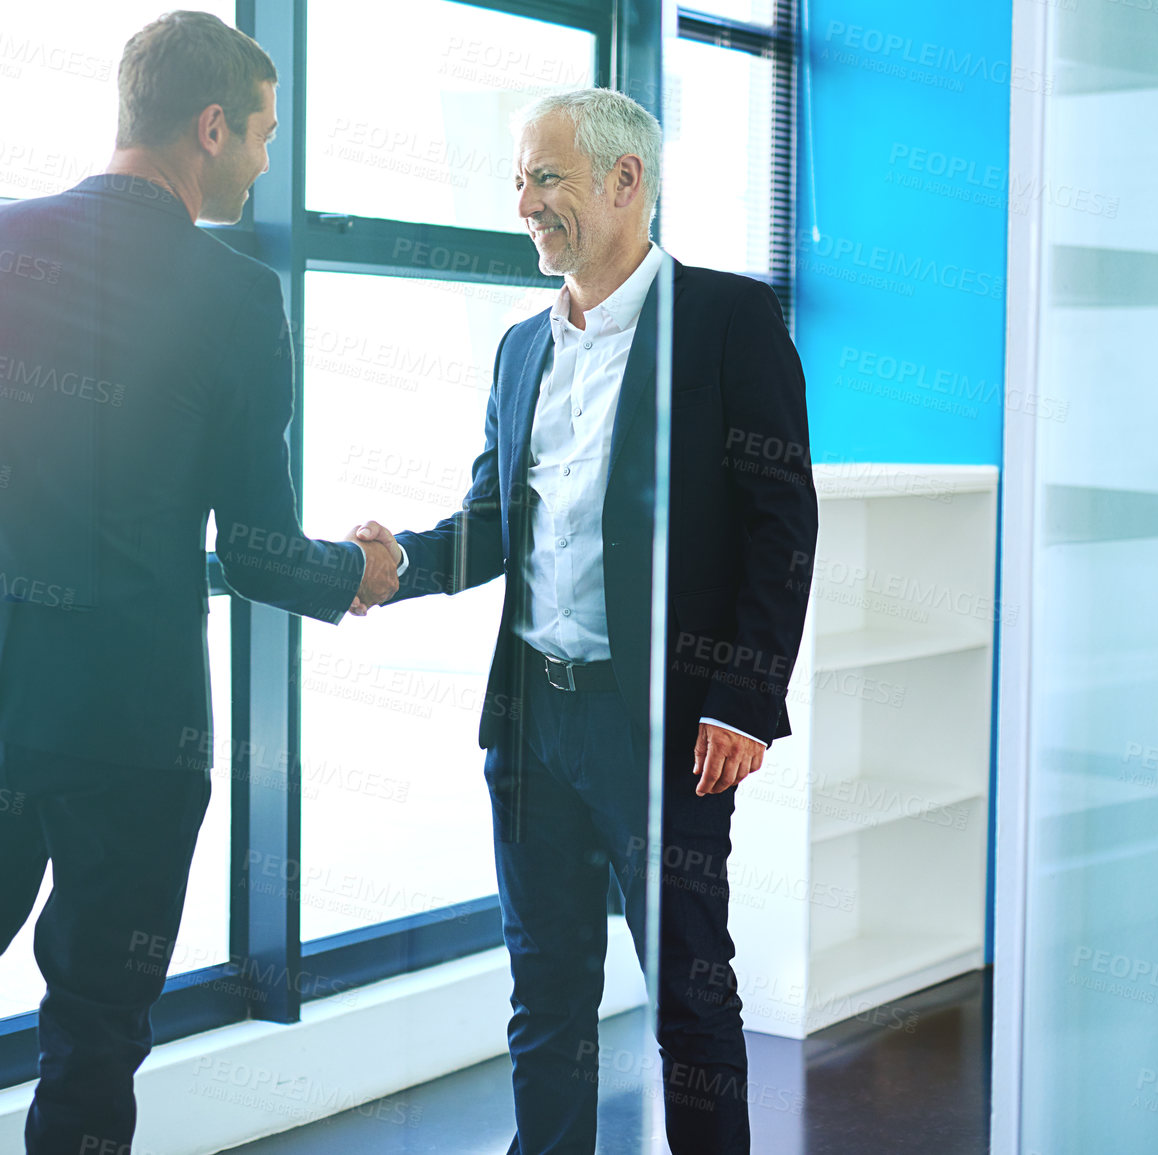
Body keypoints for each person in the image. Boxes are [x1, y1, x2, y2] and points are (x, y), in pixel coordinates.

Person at [0, 12, 400, 1153]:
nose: (266, 161)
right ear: (210, 127)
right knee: (98, 1027)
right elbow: (260, 551)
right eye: (263, 135)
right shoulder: (236, 297)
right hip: (133, 731)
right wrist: (360, 568)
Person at [352, 88, 817, 1154]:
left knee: (691, 1000)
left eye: (546, 176)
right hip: (533, 726)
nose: (525, 202)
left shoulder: (726, 323)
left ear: (625, 181)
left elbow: (782, 525)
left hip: (663, 726)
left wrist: (745, 700)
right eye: (520, 178)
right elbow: (490, 523)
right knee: (546, 995)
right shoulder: (523, 348)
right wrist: (392, 567)